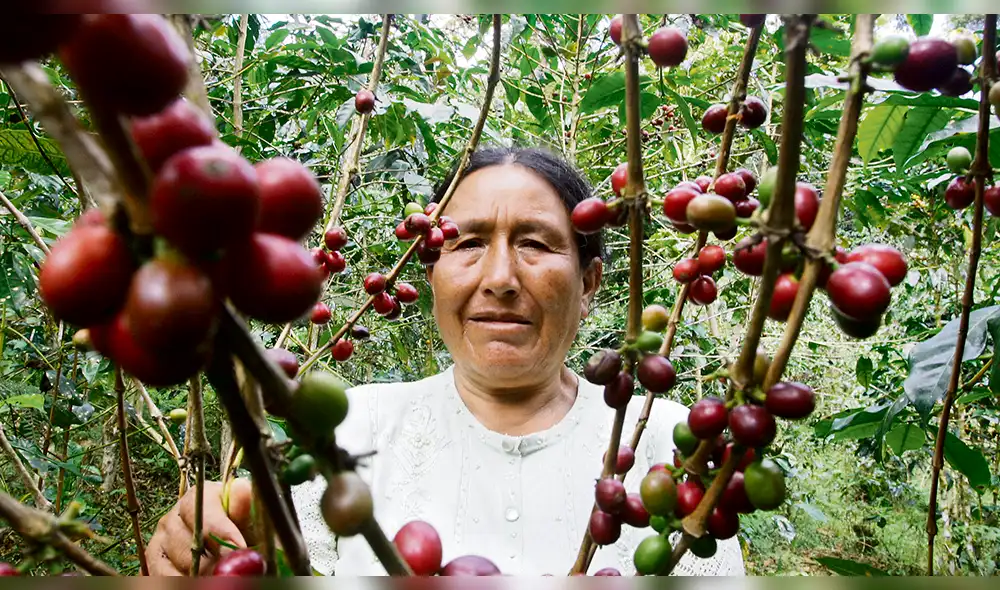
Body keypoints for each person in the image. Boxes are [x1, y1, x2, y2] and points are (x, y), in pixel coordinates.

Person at [145, 147, 746, 576]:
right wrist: (208, 527)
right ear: (430, 274)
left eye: (536, 243)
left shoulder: (672, 444)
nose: (501, 278)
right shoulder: (353, 428)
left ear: (588, 284)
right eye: (469, 244)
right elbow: (263, 531)